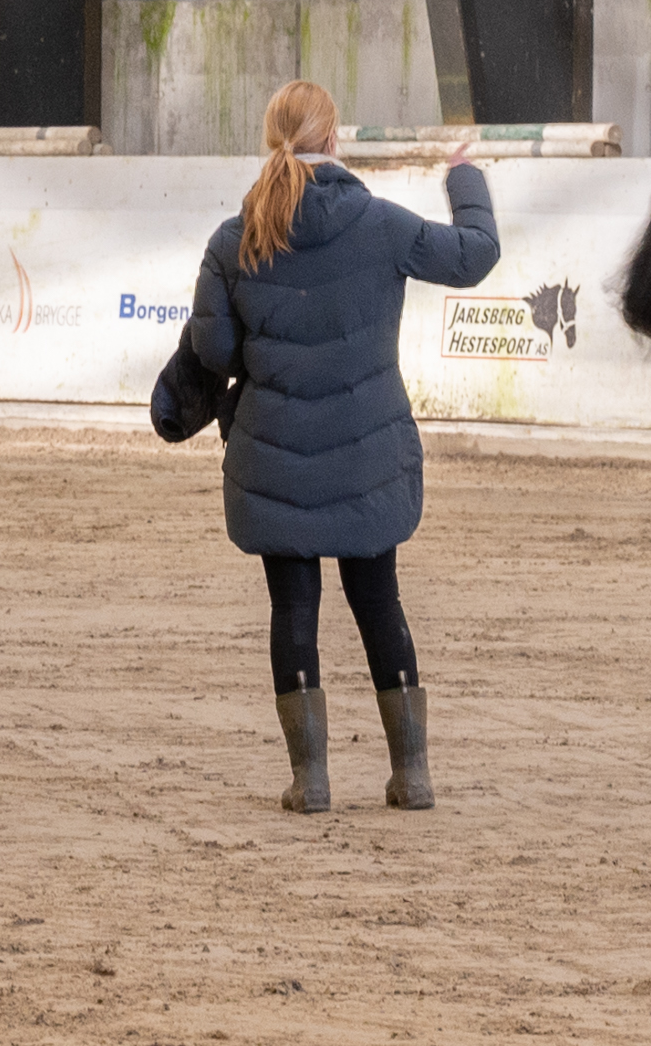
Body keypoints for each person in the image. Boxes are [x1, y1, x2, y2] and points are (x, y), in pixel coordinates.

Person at [191, 80, 500, 814]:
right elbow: (475, 255)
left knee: (292, 607)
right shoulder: (381, 223)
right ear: (335, 141)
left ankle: (312, 780)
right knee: (379, 601)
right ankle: (413, 774)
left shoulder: (235, 237)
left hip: (274, 453)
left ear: (274, 138)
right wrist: (463, 175)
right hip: (368, 455)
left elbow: (212, 345)